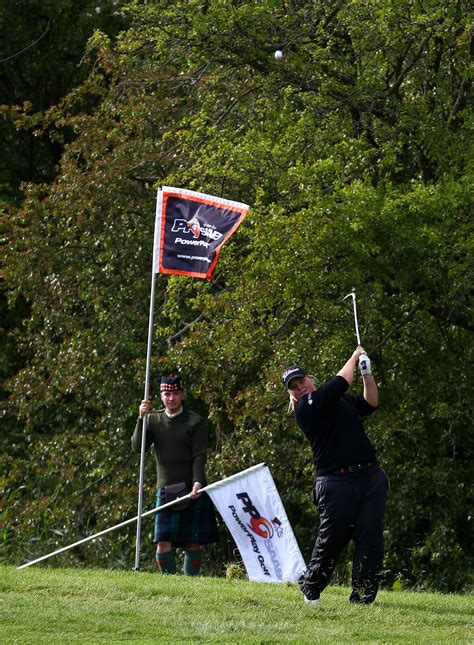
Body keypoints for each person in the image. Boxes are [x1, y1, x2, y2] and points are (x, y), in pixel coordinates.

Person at [281, 346, 389, 605]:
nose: (300, 386)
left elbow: (370, 403)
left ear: (310, 379)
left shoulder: (338, 401)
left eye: (302, 380)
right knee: (333, 539)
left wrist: (366, 374)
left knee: (370, 536)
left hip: (370, 476)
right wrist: (353, 357)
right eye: (293, 386)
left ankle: (363, 598)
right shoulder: (306, 409)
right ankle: (312, 587)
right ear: (291, 393)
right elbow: (338, 384)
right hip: (335, 482)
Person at [131, 373, 219, 575]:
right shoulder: (152, 420)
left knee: (193, 542)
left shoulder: (195, 422)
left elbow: (199, 456)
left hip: (191, 488)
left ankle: (191, 584)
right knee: (163, 542)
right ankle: (168, 581)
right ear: (161, 396)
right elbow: (138, 447)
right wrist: (141, 418)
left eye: (176, 394)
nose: (171, 399)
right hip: (166, 489)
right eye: (167, 394)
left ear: (183, 394)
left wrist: (198, 482)